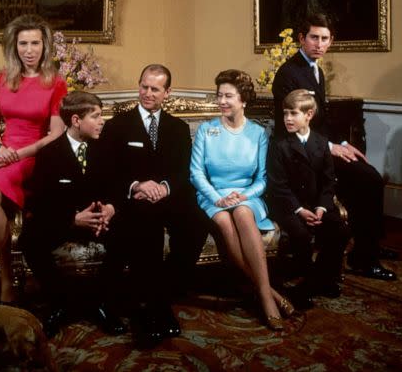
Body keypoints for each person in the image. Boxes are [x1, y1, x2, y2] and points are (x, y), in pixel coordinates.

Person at [272, 13, 396, 281]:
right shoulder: (288, 73)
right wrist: (329, 147)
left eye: (324, 39)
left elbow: (321, 121)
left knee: (368, 174)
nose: (319, 44)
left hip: (319, 148)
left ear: (331, 42)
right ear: (301, 39)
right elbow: (289, 127)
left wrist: (341, 143)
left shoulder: (315, 69)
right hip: (301, 155)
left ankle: (367, 245)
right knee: (368, 179)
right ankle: (364, 256)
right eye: (314, 38)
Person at [95, 64, 208, 346]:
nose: (147, 93)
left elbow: (183, 171)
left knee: (197, 223)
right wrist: (136, 186)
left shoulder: (178, 128)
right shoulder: (117, 125)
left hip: (167, 197)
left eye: (155, 89)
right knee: (147, 227)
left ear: (167, 93)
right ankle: (152, 309)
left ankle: (163, 292)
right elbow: (106, 170)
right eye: (144, 86)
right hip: (133, 200)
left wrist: (165, 187)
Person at [0, 14, 67, 307]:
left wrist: (19, 153)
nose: (29, 50)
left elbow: (56, 134)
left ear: (44, 46)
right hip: (3, 153)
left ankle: (8, 279)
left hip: (32, 155)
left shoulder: (55, 83)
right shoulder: (3, 78)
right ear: (15, 46)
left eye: (35, 43)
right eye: (23, 43)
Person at [190, 70, 294, 331]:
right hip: (212, 195)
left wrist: (244, 195)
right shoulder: (207, 129)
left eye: (228, 96)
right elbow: (196, 172)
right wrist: (217, 198)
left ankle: (265, 299)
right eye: (219, 96)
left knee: (243, 213)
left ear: (243, 100)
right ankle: (270, 294)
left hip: (248, 195)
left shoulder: (258, 133)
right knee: (225, 221)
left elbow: (262, 178)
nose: (222, 101)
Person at [19, 91, 126, 337]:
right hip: (65, 220)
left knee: (131, 232)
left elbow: (119, 186)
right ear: (76, 120)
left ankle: (101, 303)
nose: (102, 121)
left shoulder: (108, 147)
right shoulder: (50, 153)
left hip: (101, 219)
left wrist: (109, 209)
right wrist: (73, 218)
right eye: (96, 116)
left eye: (102, 116)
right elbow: (40, 202)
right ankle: (60, 302)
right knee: (30, 239)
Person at [266, 89, 350, 309]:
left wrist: (322, 207)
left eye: (293, 114)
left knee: (340, 230)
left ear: (309, 114)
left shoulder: (321, 143)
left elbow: (329, 181)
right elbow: (278, 186)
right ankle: (304, 284)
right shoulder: (278, 144)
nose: (287, 119)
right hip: (288, 205)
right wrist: (299, 210)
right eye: (285, 114)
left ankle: (322, 278)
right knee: (301, 234)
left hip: (317, 204)